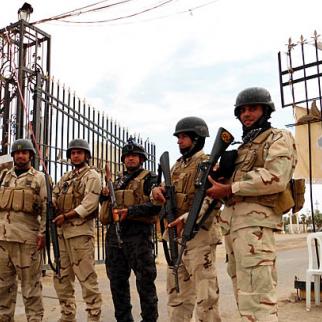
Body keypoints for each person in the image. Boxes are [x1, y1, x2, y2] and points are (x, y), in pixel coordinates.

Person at [206, 87, 298, 322]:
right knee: (244, 298)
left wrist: (230, 188)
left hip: (255, 226)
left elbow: (276, 177)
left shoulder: (278, 137)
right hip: (234, 227)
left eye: (253, 108)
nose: (246, 114)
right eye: (242, 110)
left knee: (259, 300)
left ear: (265, 110)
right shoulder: (242, 149)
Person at [151, 117, 222, 322]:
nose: (179, 141)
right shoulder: (176, 166)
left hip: (199, 235)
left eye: (183, 137)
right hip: (176, 235)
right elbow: (162, 190)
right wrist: (156, 191)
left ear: (197, 138)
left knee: (205, 294)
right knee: (177, 293)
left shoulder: (208, 162)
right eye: (178, 137)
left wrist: (187, 218)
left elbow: (212, 198)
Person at [99, 137, 160, 322]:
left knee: (145, 282)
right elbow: (106, 207)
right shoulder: (117, 181)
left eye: (134, 156)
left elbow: (155, 205)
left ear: (141, 159)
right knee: (117, 282)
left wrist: (130, 211)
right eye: (127, 156)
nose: (130, 159)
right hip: (114, 236)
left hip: (138, 235)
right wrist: (104, 196)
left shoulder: (150, 178)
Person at [52, 139, 102, 322]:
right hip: (62, 234)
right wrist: (53, 202)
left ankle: (93, 317)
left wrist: (65, 216)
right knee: (62, 278)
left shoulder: (92, 176)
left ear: (86, 155)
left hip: (80, 234)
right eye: (73, 153)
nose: (75, 156)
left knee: (87, 279)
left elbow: (88, 205)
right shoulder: (66, 177)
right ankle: (67, 316)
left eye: (79, 152)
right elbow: (55, 195)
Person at [0, 139, 46, 321]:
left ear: (30, 156)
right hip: (3, 240)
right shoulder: (4, 176)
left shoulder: (39, 178)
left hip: (27, 241)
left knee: (31, 288)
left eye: (24, 153)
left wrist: (43, 233)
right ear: (13, 156)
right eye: (17, 153)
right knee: (3, 288)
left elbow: (45, 208)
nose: (20, 155)